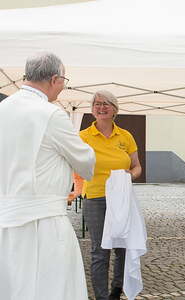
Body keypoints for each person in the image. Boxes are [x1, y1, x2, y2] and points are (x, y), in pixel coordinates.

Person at [0, 52, 95, 300]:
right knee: (51, 288)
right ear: (55, 79)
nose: (63, 86)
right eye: (64, 79)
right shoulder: (51, 115)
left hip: (5, 221)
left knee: (11, 287)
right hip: (44, 223)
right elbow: (86, 162)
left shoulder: (2, 109)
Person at [79, 90, 142, 300]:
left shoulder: (125, 136)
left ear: (115, 109)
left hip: (121, 198)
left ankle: (117, 288)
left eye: (106, 103)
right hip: (95, 197)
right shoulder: (83, 137)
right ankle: (101, 296)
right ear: (92, 109)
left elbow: (137, 167)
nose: (101, 107)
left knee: (122, 246)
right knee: (100, 250)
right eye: (97, 103)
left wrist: (129, 176)